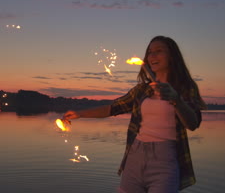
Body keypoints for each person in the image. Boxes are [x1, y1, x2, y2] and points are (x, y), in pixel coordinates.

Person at [63, 36, 206, 193]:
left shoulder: (185, 87)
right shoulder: (141, 90)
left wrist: (176, 99)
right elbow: (112, 108)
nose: (152, 56)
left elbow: (192, 124)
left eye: (159, 51)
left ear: (172, 56)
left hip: (165, 159)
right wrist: (79, 114)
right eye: (150, 52)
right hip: (135, 155)